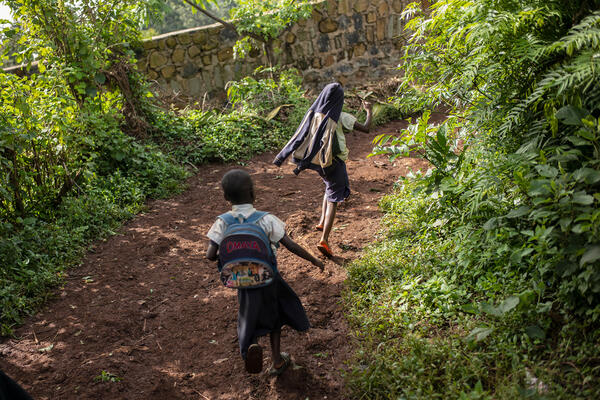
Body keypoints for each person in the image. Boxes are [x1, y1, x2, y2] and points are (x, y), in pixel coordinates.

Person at [206, 169, 324, 375]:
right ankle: (277, 360)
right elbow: (291, 246)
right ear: (253, 193)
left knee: (247, 314)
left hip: (240, 278)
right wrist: (314, 260)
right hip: (268, 278)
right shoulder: (267, 219)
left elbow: (210, 254)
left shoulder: (222, 222)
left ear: (226, 197)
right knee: (274, 316)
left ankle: (251, 345)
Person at [272, 82, 372, 257]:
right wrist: (369, 111)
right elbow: (367, 128)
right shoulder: (341, 117)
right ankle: (324, 240)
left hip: (318, 162)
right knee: (334, 197)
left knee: (329, 186)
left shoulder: (314, 114)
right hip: (335, 162)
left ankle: (321, 221)